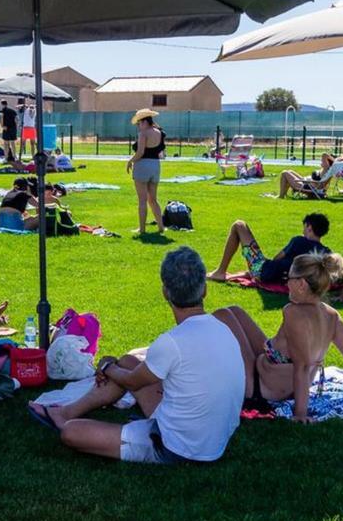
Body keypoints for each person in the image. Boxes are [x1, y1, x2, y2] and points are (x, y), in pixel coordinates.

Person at [27, 247, 244, 463]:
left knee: (71, 432)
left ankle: (66, 417)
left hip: (176, 447)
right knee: (130, 361)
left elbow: (132, 381)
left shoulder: (171, 342)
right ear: (204, 290)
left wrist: (106, 367)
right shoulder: (223, 329)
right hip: (213, 441)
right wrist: (115, 367)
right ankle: (66, 412)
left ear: (165, 292)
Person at [219, 254, 343, 422]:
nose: (286, 283)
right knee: (235, 310)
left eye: (288, 278)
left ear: (301, 284)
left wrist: (300, 414)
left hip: (261, 387)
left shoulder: (293, 313)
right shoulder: (331, 315)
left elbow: (303, 366)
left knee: (223, 314)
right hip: (276, 379)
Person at [207, 213, 332, 284]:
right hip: (282, 278)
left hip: (265, 273)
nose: (303, 230)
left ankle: (220, 272)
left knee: (239, 225)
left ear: (309, 227)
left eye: (304, 227)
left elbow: (277, 258)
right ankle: (238, 274)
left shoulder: (299, 241)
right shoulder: (326, 252)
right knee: (255, 268)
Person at [127, 108, 165, 236]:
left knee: (142, 200)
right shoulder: (159, 132)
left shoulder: (143, 134)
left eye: (139, 123)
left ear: (144, 122)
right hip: (155, 166)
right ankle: (161, 227)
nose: (138, 126)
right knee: (153, 199)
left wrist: (130, 161)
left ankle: (142, 229)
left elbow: (140, 152)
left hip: (143, 165)